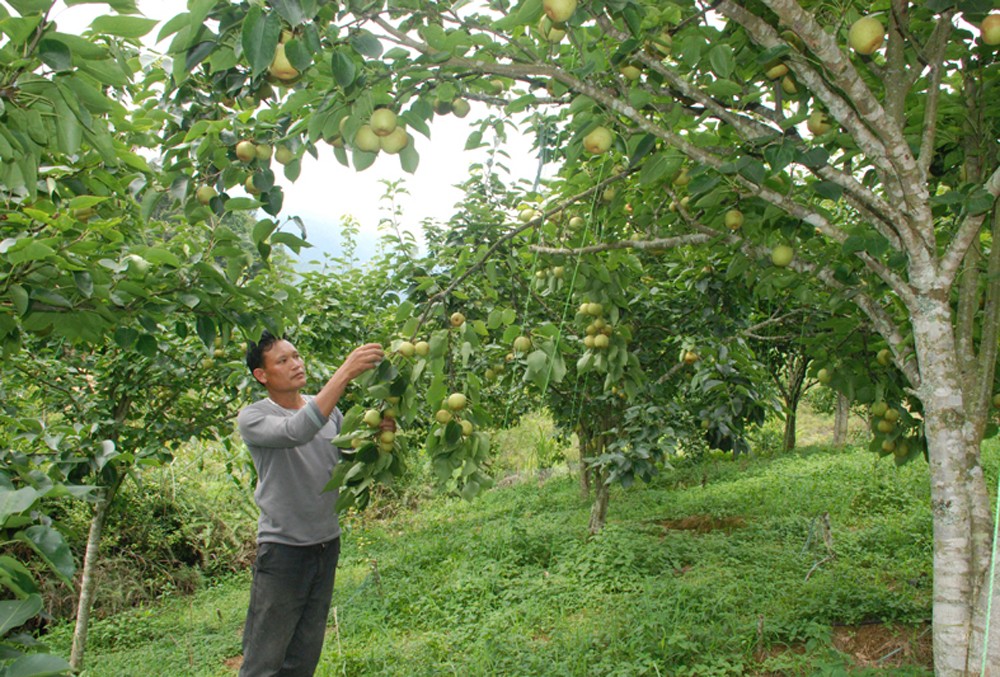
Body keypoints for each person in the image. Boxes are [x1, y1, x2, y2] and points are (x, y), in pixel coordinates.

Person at [237, 330, 388, 676]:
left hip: (325, 545)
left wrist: (378, 435)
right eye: (283, 360)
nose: (296, 364)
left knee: (304, 655)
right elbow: (296, 431)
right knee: (264, 658)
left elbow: (349, 455)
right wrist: (345, 372)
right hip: (283, 550)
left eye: (297, 356)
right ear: (262, 375)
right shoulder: (254, 417)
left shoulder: (327, 413)